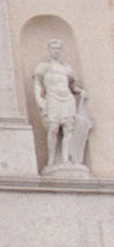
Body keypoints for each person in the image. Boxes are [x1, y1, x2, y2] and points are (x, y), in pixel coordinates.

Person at [32, 39, 91, 169]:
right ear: (49, 50)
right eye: (53, 48)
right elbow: (37, 84)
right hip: (52, 98)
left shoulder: (67, 68)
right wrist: (39, 100)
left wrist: (80, 92)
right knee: (53, 128)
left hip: (67, 99)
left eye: (58, 48)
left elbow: (72, 86)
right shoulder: (43, 67)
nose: (55, 51)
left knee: (68, 129)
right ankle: (51, 160)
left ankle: (65, 160)